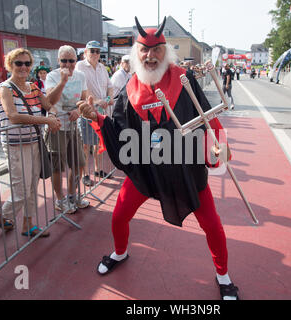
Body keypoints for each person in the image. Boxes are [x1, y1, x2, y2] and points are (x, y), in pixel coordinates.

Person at [78, 16, 239, 300]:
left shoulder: (184, 79)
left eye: (156, 50)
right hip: (146, 168)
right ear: (136, 53)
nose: (150, 56)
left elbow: (207, 116)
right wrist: (97, 118)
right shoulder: (128, 88)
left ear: (165, 51)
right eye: (145, 50)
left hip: (184, 165)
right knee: (119, 216)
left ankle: (224, 276)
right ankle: (120, 252)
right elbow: (117, 127)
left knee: (211, 223)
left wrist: (218, 147)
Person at [0, 48, 61, 238]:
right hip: (15, 144)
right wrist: (47, 121)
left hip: (35, 142)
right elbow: (12, 116)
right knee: (21, 189)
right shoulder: (5, 88)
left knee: (32, 187)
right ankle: (1, 215)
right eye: (18, 63)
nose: (23, 67)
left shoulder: (34, 87)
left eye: (27, 63)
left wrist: (52, 115)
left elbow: (49, 105)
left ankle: (28, 225)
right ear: (10, 65)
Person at [45, 45, 90, 214]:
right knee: (58, 167)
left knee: (79, 163)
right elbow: (49, 101)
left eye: (71, 60)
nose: (67, 64)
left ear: (76, 60)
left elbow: (84, 99)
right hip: (57, 127)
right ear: (58, 61)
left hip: (73, 126)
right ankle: (60, 200)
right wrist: (63, 81)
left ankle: (72, 196)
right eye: (64, 60)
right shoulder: (52, 76)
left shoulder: (80, 75)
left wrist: (78, 111)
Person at [76, 41, 114, 184]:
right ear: (85, 52)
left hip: (101, 112)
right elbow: (83, 88)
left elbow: (110, 86)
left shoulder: (102, 67)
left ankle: (98, 169)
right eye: (92, 51)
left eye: (98, 51)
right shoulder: (80, 66)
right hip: (87, 112)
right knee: (85, 144)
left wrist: (108, 98)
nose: (95, 54)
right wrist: (98, 101)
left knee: (98, 142)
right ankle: (86, 174)